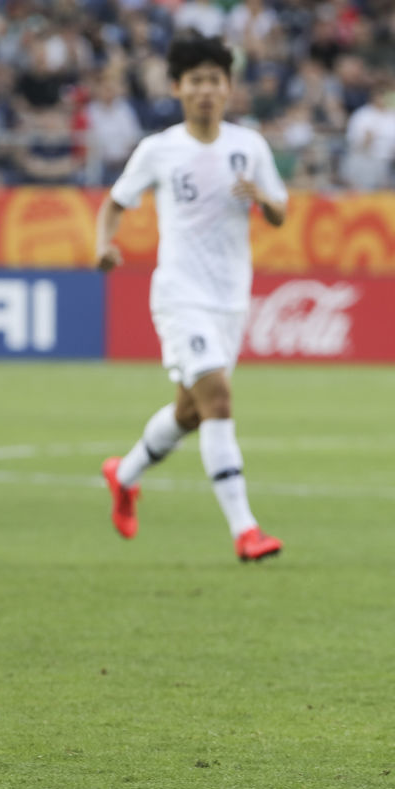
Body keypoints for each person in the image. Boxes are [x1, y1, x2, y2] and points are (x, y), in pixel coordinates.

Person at [95, 31, 288, 562]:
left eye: (215, 80)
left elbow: (280, 213)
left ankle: (125, 473)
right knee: (219, 399)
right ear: (178, 87)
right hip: (180, 294)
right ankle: (245, 529)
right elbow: (114, 203)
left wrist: (262, 199)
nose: (206, 90)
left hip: (230, 298)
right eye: (195, 80)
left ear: (228, 88)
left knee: (191, 410)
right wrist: (104, 245)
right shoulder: (159, 150)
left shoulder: (249, 147)